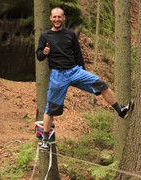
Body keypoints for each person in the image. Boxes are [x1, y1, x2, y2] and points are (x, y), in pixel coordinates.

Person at [36, 7, 134, 150]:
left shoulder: (70, 34)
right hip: (58, 75)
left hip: (75, 71)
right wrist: (44, 53)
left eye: (59, 17)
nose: (57, 19)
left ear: (63, 18)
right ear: (50, 18)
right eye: (54, 17)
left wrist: (82, 71)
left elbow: (78, 53)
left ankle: (121, 111)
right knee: (51, 109)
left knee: (101, 84)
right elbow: (39, 56)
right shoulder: (45, 36)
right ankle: (45, 140)